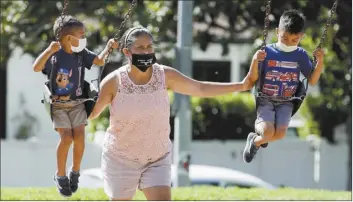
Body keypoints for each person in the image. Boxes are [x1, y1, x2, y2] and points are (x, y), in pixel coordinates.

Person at [88, 26, 250, 200]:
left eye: (149, 47)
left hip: (156, 158)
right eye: (140, 48)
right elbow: (91, 114)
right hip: (121, 159)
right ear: (127, 52)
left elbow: (200, 88)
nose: (146, 52)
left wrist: (241, 86)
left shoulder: (164, 75)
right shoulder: (114, 82)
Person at [32, 15, 118, 197]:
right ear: (67, 37)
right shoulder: (54, 55)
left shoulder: (82, 54)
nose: (84, 38)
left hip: (78, 103)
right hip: (59, 105)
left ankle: (75, 171)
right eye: (81, 34)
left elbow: (100, 61)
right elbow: (36, 67)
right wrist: (48, 51)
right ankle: (60, 175)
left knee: (79, 137)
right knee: (66, 138)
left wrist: (108, 48)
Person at [241, 9, 325, 163]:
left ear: (301, 37)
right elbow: (252, 78)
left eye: (294, 40)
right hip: (265, 98)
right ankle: (259, 133)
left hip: (287, 101)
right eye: (284, 37)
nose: (288, 43)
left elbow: (312, 80)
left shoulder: (300, 55)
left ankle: (255, 141)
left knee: (279, 134)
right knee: (268, 133)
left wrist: (319, 62)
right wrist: (255, 60)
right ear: (277, 31)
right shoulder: (267, 51)